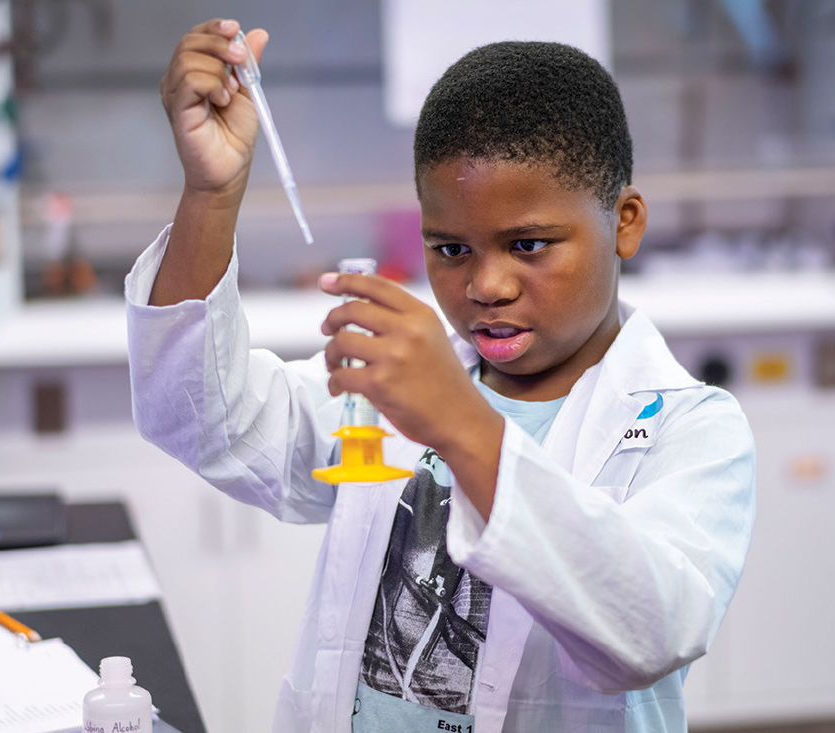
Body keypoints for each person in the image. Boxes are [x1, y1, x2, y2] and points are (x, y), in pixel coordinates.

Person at [126, 18, 755, 733]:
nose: (487, 286)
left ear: (625, 222)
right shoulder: (394, 388)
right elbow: (205, 420)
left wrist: (460, 422)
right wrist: (211, 195)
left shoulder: (691, 429)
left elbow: (651, 632)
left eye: (528, 244)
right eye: (451, 248)